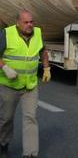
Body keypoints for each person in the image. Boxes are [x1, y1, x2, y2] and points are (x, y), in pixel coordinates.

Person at [0, 10, 51, 158]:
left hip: (30, 86)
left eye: (31, 22)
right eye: (26, 22)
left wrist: (47, 68)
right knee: (6, 119)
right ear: (18, 23)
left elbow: (43, 51)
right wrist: (5, 67)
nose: (30, 25)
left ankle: (30, 154)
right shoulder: (6, 34)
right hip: (9, 85)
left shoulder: (37, 33)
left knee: (31, 117)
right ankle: (3, 144)